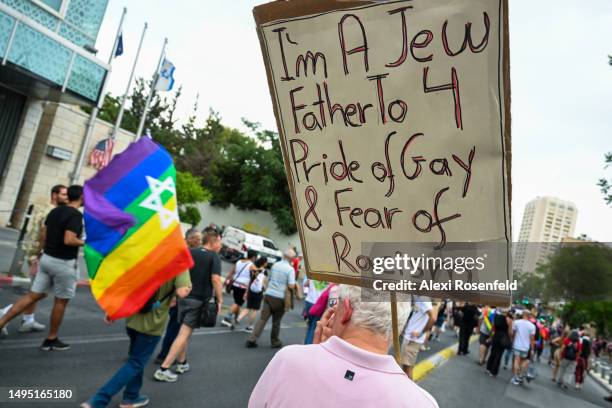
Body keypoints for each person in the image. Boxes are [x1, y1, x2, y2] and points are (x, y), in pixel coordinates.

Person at [248, 285, 438, 408]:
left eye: (335, 307)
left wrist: (315, 356)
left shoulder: (287, 360)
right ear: (399, 327)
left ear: (345, 311)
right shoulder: (422, 403)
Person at [81, 272, 192, 408]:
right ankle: (99, 400)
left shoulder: (145, 256)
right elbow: (182, 292)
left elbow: (125, 285)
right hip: (152, 324)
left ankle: (131, 397)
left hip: (133, 318)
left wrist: (113, 310)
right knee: (135, 362)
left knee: (136, 359)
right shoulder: (178, 262)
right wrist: (188, 286)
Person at [0, 185, 83, 350]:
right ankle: (51, 339)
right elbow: (69, 240)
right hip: (64, 263)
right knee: (60, 301)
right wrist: (87, 243)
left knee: (33, 295)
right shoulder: (75, 216)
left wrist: (40, 254)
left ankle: (1, 322)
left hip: (47, 258)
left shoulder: (55, 211)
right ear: (81, 197)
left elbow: (44, 234)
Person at [154, 229, 223, 382]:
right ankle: (163, 369)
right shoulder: (214, 257)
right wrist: (220, 299)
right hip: (197, 300)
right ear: (212, 242)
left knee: (183, 332)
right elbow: (216, 279)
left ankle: (182, 363)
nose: (221, 245)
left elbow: (177, 273)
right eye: (219, 242)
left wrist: (173, 296)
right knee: (184, 334)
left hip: (183, 297)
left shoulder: (191, 252)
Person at [153, 228, 202, 364]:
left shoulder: (189, 251)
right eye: (197, 238)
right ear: (190, 239)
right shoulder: (183, 252)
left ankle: (167, 354)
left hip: (176, 294)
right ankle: (164, 355)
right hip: (176, 295)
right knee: (174, 326)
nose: (199, 241)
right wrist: (174, 295)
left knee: (173, 326)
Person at [246, 248, 296, 349]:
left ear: (283, 255)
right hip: (280, 298)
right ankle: (275, 341)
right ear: (292, 259)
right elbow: (291, 286)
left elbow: (270, 279)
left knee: (262, 318)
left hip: (269, 294)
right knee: (276, 321)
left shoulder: (275, 265)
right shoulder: (290, 270)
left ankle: (252, 338)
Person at [400, 296, 436, 379]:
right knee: (405, 368)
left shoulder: (423, 299)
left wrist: (420, 333)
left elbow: (433, 318)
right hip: (410, 338)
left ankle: (409, 390)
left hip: (413, 340)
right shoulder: (419, 298)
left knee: (407, 369)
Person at [221, 249, 258, 329]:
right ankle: (227, 318)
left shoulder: (239, 261)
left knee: (237, 302)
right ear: (254, 257)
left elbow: (231, 272)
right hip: (243, 287)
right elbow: (254, 279)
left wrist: (225, 281)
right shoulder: (252, 266)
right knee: (238, 303)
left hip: (234, 284)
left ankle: (235, 318)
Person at [237, 257, 268, 332]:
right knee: (255, 310)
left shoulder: (253, 269)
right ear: (263, 263)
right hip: (258, 292)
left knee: (248, 307)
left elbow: (250, 280)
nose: (267, 264)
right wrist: (265, 290)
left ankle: (238, 318)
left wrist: (247, 291)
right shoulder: (264, 271)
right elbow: (264, 283)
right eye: (266, 262)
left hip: (251, 289)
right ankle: (249, 326)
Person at [510, 310, 536, 386]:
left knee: (516, 360)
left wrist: (512, 341)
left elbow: (513, 334)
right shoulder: (532, 326)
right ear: (529, 315)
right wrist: (532, 349)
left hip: (517, 345)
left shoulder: (517, 322)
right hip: (526, 347)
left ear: (523, 314)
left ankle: (515, 378)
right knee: (522, 361)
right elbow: (532, 339)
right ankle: (519, 374)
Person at [486, 307, 513, 376]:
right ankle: (493, 371)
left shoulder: (496, 317)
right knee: (499, 354)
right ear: (507, 312)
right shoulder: (509, 320)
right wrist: (510, 339)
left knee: (493, 352)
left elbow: (492, 328)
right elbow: (510, 332)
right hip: (503, 337)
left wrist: (490, 336)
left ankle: (488, 368)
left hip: (496, 336)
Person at [302, 279, 327, 344]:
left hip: (309, 302)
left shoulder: (313, 273)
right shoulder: (329, 276)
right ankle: (308, 347)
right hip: (319, 303)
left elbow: (305, 284)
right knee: (314, 328)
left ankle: (306, 344)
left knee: (310, 326)